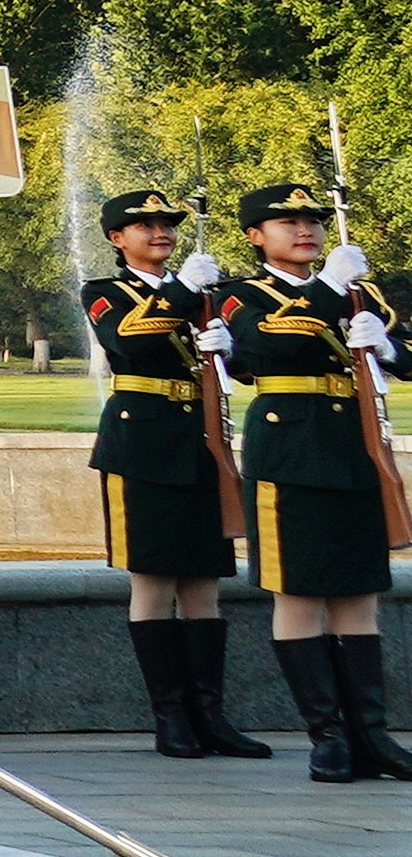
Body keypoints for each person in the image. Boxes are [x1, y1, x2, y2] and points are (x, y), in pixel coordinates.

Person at [210, 187, 412, 782]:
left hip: (355, 446)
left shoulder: (360, 292)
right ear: (255, 236)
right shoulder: (240, 295)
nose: (306, 230)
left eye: (313, 221)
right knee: (297, 593)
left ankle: (370, 734)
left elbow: (407, 354)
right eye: (288, 222)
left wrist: (386, 345)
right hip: (289, 451)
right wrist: (327, 286)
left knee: (358, 594)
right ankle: (327, 737)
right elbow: (263, 345)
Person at [81, 190, 262, 757]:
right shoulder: (106, 292)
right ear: (117, 239)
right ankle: (171, 717)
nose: (160, 232)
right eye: (145, 226)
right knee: (155, 580)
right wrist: (183, 290)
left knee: (204, 582)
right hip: (143, 445)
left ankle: (210, 714)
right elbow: (127, 338)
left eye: (167, 224)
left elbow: (246, 366)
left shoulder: (206, 292)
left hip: (201, 442)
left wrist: (229, 348)